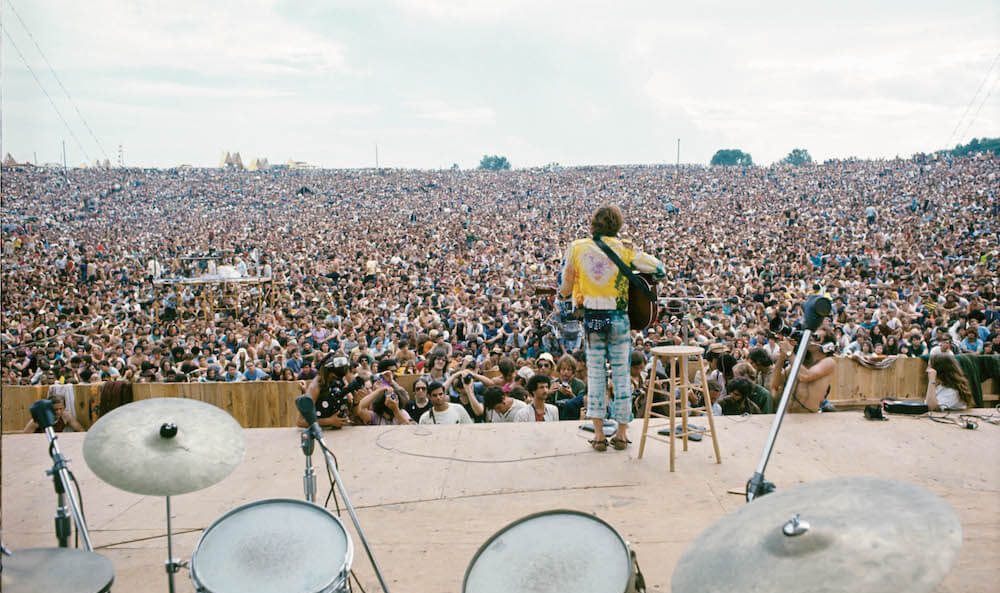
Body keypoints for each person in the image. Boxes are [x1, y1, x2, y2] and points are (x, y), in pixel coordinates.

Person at [559, 205, 665, 451]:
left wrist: (568, 296)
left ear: (593, 223)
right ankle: (621, 433)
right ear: (618, 225)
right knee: (621, 376)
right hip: (618, 319)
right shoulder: (625, 248)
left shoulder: (577, 247)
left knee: (595, 376)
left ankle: (598, 435)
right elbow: (659, 269)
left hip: (593, 318)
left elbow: (564, 285)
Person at [771, 337, 837, 413]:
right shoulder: (792, 368)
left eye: (814, 339)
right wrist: (782, 356)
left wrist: (789, 352)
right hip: (789, 417)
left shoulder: (828, 362)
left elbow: (805, 376)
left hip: (810, 418)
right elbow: (774, 386)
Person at [298, 353, 363, 430]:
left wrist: (356, 402)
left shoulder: (340, 380)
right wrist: (328, 421)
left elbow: (356, 413)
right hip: (323, 434)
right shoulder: (315, 387)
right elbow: (300, 422)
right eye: (333, 377)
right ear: (327, 372)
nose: (336, 379)